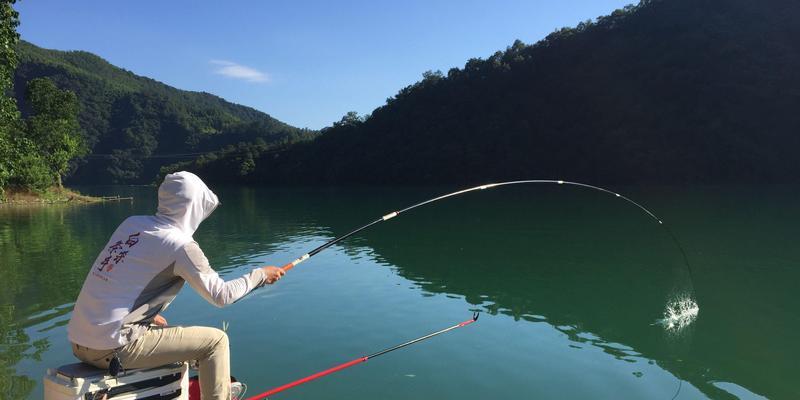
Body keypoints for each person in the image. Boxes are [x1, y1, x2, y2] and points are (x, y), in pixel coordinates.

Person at [67, 171, 284, 400]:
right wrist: (259, 275)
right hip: (113, 347)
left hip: (80, 341)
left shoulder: (131, 224)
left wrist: (147, 317)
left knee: (166, 329)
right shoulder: (181, 246)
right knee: (216, 341)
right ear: (194, 207)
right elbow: (221, 295)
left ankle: (203, 385)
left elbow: (120, 283)